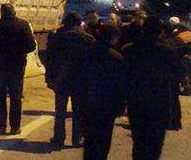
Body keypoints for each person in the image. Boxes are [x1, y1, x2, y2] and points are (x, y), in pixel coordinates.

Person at [122, 17, 185, 160]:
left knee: (139, 144)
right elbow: (179, 73)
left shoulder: (130, 50)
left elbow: (121, 76)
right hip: (159, 104)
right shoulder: (166, 52)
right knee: (154, 147)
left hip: (136, 103)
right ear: (160, 32)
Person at [0, 4, 36, 135]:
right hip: (17, 66)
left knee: (0, 96)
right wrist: (19, 53)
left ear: (1, 13)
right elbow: (31, 46)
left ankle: (1, 125)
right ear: (14, 12)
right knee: (16, 97)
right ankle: (15, 127)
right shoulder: (23, 25)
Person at [45, 12, 95, 148]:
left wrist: (49, 77)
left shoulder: (56, 37)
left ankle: (59, 137)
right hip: (80, 80)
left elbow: (49, 59)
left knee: (60, 110)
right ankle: (77, 139)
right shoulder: (87, 39)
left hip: (61, 78)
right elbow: (92, 62)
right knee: (78, 110)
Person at [79, 24, 127, 160]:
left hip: (88, 102)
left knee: (89, 139)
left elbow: (79, 78)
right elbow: (121, 85)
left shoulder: (87, 53)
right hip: (107, 106)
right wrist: (121, 104)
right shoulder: (116, 57)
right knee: (103, 140)